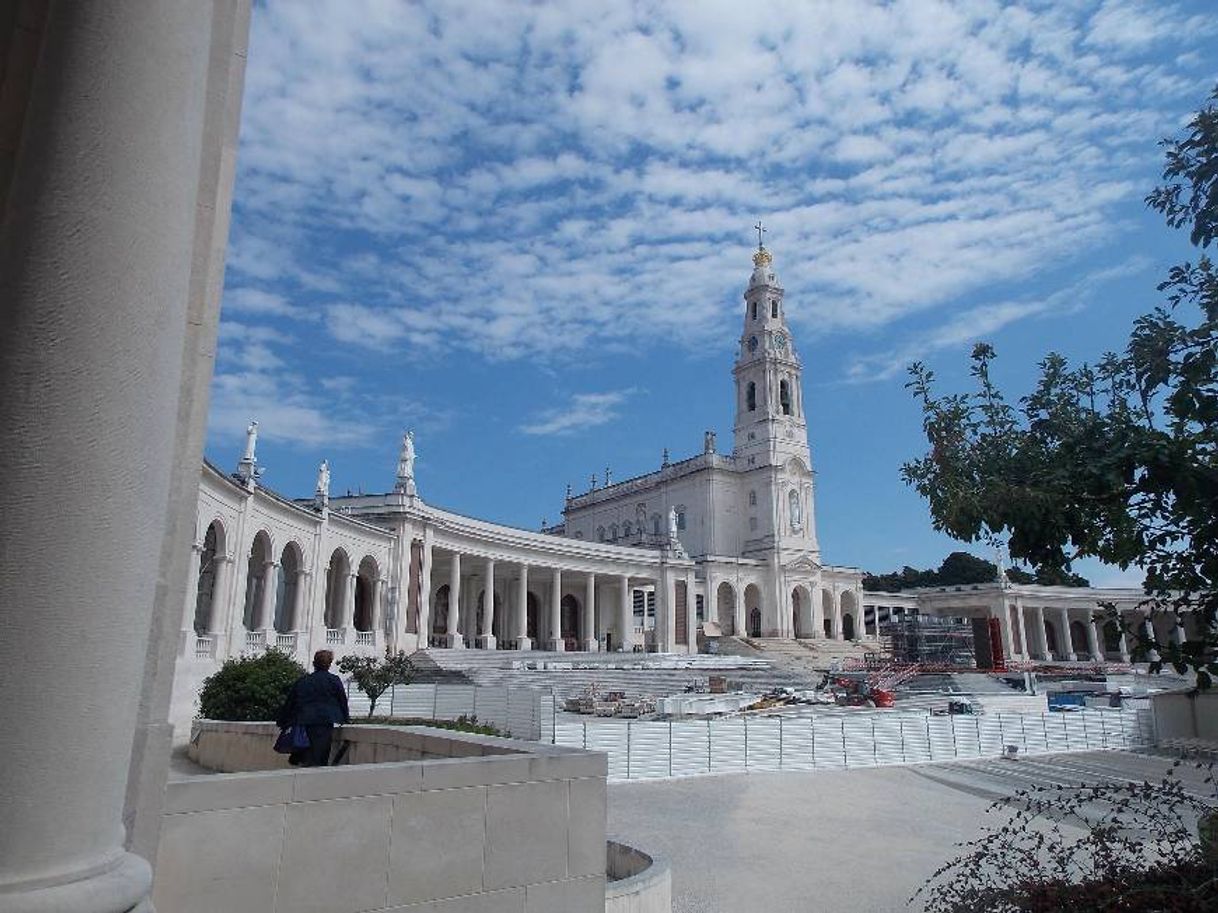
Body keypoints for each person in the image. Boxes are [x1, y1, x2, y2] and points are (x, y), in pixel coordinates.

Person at [276, 649, 350, 766]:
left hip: (303, 723)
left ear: (314, 663)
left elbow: (290, 703)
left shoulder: (303, 681)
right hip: (324, 722)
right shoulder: (333, 680)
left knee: (305, 753)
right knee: (320, 755)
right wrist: (346, 719)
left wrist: (283, 721)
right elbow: (342, 701)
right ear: (329, 664)